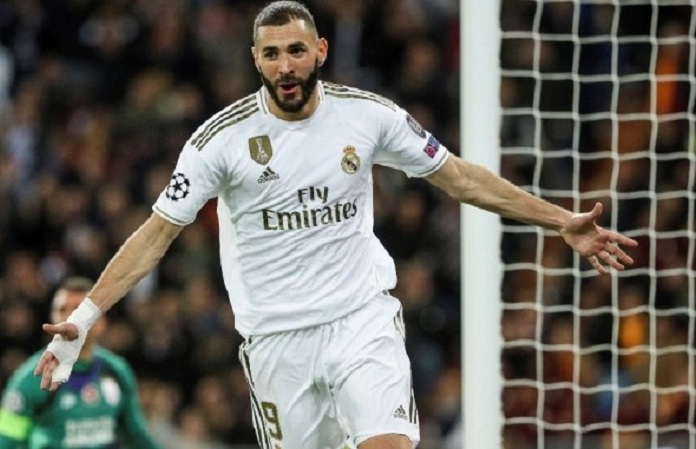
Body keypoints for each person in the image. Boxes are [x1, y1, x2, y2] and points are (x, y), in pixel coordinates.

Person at [33, 2, 638, 448]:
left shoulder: (367, 117)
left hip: (360, 320)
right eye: (272, 54)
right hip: (276, 339)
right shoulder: (219, 141)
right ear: (256, 60)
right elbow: (155, 235)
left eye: (296, 50)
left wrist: (561, 220)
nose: (285, 65)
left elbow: (460, 177)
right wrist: (84, 317)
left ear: (320, 50)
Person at [0, 277, 161, 449]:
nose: (69, 317)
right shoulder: (31, 378)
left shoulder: (116, 371)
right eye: (62, 310)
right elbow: (3, 443)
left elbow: (136, 436)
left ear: (101, 322)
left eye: (78, 309)